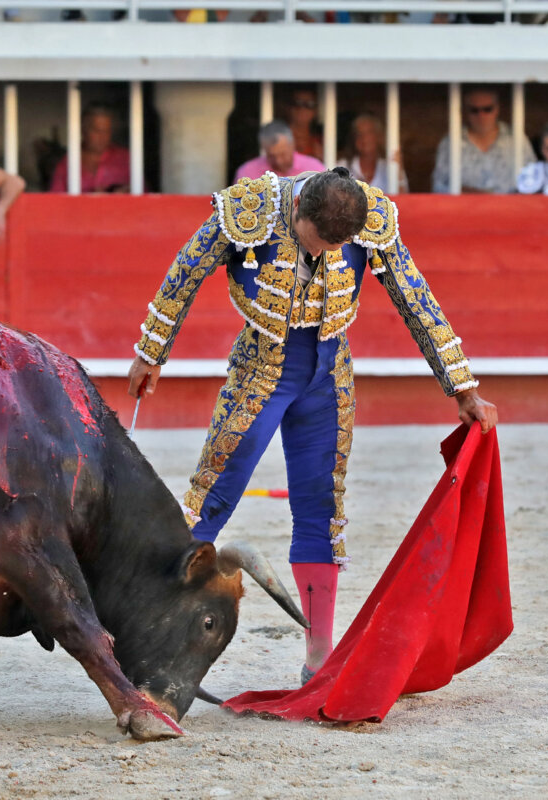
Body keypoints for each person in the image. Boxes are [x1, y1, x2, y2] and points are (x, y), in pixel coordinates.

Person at [126, 167, 497, 686]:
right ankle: (144, 627)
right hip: (260, 371)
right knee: (211, 498)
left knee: (322, 507)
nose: (323, 255)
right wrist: (151, 352)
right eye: (317, 242)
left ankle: (319, 657)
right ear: (296, 211)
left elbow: (415, 296)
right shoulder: (249, 208)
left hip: (329, 377)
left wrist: (463, 388)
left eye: (334, 246)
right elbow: (185, 269)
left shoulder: (370, 217)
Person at [432, 87, 535, 194]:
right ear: (465, 112)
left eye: (487, 109)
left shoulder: (516, 139)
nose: (481, 116)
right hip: (465, 208)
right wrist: (468, 193)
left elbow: (534, 180)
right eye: (474, 110)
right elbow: (439, 186)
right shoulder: (451, 142)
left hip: (509, 208)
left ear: (497, 109)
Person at [49, 104, 130, 194]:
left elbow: (143, 194)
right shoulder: (66, 164)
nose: (102, 136)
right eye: (96, 130)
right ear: (83, 130)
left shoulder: (125, 159)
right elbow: (56, 200)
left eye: (106, 131)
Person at [336, 113, 408, 192]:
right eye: (359, 134)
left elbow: (404, 199)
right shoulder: (341, 167)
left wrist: (399, 171)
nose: (364, 138)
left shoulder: (390, 167)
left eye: (370, 132)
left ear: (379, 136)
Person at [234, 121, 326, 182]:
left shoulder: (314, 169)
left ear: (293, 145)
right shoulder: (247, 173)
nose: (278, 161)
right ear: (264, 149)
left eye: (283, 154)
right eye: (271, 156)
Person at [285, 87, 324, 160]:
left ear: (316, 111)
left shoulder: (321, 142)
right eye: (297, 103)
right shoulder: (278, 139)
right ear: (288, 107)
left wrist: (323, 158)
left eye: (309, 104)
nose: (302, 108)